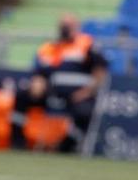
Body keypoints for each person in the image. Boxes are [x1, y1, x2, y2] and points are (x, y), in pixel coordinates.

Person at [8, 13, 108, 153]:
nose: (65, 29)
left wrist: (87, 92)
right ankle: (17, 142)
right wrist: (38, 82)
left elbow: (101, 69)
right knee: (22, 96)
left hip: (78, 94)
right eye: (63, 26)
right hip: (52, 92)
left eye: (69, 25)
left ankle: (65, 146)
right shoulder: (49, 47)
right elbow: (40, 72)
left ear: (77, 27)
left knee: (85, 112)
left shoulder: (86, 44)